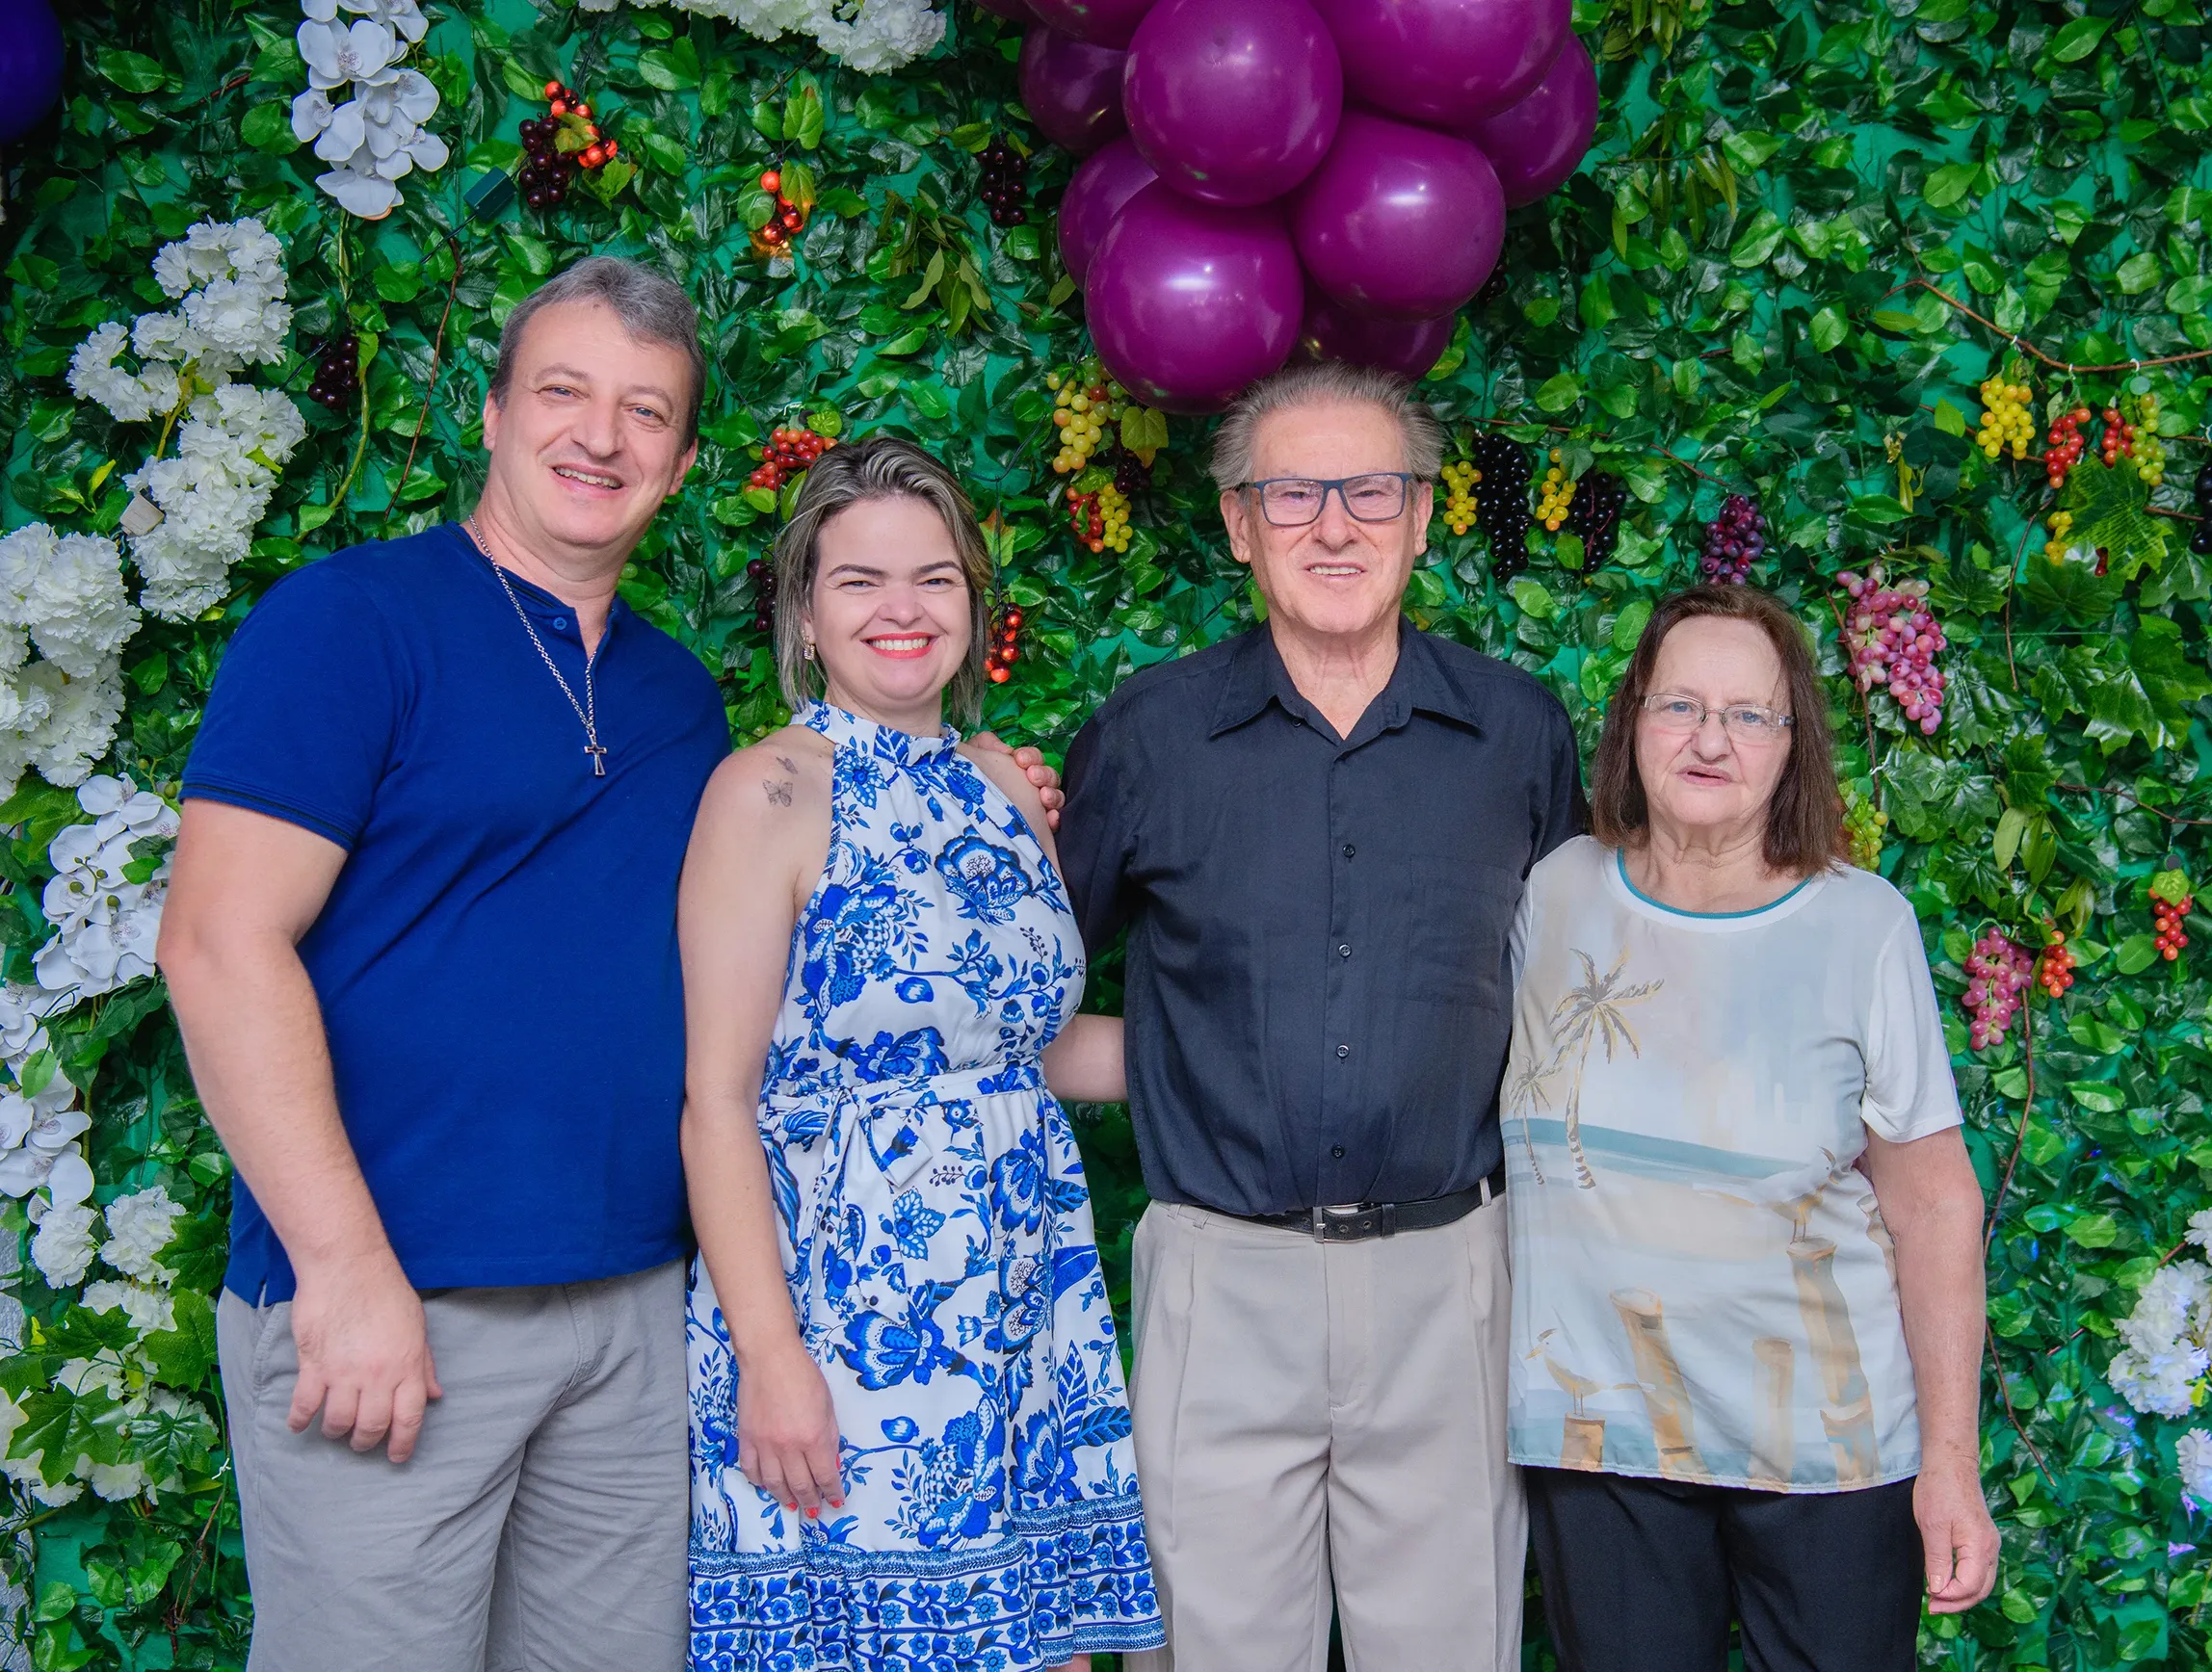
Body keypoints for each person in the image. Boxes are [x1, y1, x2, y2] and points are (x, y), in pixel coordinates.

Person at [155, 257, 1062, 1671]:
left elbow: (815, 930)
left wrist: (984, 784)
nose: (601, 436)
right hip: (402, 1302)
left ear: (684, 459)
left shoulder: (675, 699)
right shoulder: (351, 623)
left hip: (639, 1318)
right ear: (495, 412)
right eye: (564, 392)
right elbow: (216, 942)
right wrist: (341, 1268)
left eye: (645, 411)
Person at [1058, 361, 1584, 1672]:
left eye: (1369, 491)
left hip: (1451, 1277)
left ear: (1421, 516)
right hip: (1218, 1278)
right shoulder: (1150, 733)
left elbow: (1585, 1000)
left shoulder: (1515, 732)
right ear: (1238, 523)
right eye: (1292, 495)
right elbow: (1019, 991)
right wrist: (1176, 1068)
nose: (1332, 526)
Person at [679, 434, 1164, 1671]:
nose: (901, 609)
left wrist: (1275, 1055)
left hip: (1020, 1298)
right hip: (849, 1313)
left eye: (934, 578)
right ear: (803, 611)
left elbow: (1023, 1049)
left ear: (973, 605)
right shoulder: (768, 792)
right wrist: (774, 1358)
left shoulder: (1000, 782)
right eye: (859, 581)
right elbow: (717, 1101)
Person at [1499, 584, 1997, 1671]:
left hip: (1828, 1456)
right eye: (1680, 705)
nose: (1710, 739)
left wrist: (1950, 1465)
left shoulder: (1863, 923)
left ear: (1791, 745)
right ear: (1632, 721)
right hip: (1602, 1444)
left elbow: (1933, 1202)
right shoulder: (1555, 892)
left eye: (1748, 714)